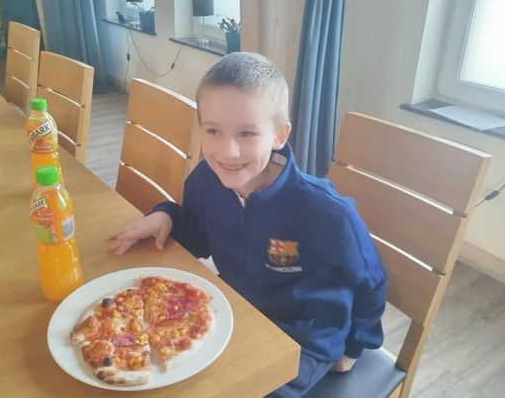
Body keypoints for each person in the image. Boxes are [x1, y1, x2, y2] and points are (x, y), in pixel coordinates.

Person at [109, 52, 387, 397]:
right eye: (213, 131)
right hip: (235, 310)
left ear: (279, 135)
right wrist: (167, 215)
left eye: (247, 133)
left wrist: (356, 347)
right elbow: (198, 236)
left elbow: (371, 282)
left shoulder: (327, 212)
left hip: (303, 338)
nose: (228, 151)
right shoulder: (204, 180)